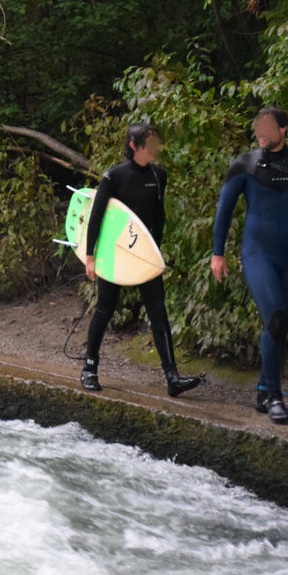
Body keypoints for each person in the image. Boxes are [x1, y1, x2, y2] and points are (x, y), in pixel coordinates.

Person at [210, 105, 288, 424]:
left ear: (285, 129)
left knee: (281, 327)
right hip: (257, 253)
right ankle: (274, 397)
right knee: (275, 318)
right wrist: (218, 253)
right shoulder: (243, 165)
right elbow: (224, 209)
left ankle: (262, 388)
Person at [80, 122, 203, 397]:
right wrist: (90, 256)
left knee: (158, 313)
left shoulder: (159, 175)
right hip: (115, 253)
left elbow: (158, 218)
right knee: (105, 309)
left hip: (145, 255)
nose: (157, 148)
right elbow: (97, 217)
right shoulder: (114, 176)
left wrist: (155, 254)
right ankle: (89, 368)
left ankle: (172, 377)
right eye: (151, 143)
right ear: (134, 146)